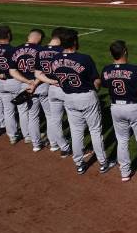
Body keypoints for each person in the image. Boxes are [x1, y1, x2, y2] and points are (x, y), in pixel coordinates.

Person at [36, 29, 111, 175]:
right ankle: (103, 162)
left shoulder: (54, 60)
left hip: (68, 97)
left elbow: (51, 76)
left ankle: (79, 164)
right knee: (95, 130)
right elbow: (96, 82)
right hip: (86, 96)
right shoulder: (85, 58)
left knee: (76, 132)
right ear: (75, 42)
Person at [103, 39, 137, 181]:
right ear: (125, 51)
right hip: (134, 107)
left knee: (122, 140)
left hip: (116, 107)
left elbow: (105, 85)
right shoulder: (134, 69)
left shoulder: (107, 70)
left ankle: (125, 172)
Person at [0, 25, 27, 144]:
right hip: (13, 81)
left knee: (7, 110)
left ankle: (12, 136)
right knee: (22, 109)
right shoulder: (12, 50)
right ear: (9, 35)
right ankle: (27, 135)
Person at [8, 29, 46, 150]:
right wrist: (34, 82)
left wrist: (26, 82)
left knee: (27, 112)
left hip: (24, 85)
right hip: (39, 84)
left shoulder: (16, 49)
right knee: (49, 115)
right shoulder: (41, 50)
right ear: (39, 38)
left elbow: (12, 71)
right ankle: (53, 142)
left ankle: (30, 138)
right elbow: (44, 70)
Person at [35, 28, 70, 156]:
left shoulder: (40, 51)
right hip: (64, 88)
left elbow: (37, 74)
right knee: (72, 119)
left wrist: (50, 82)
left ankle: (58, 145)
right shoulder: (62, 51)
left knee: (54, 119)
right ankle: (73, 146)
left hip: (51, 89)